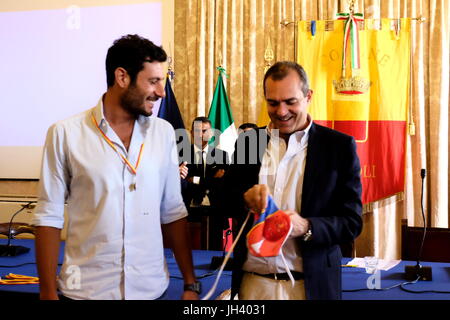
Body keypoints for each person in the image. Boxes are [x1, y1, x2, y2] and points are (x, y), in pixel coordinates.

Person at [31, 34, 200, 300]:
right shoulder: (64, 134)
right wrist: (47, 292)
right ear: (122, 77)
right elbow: (48, 216)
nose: (161, 92)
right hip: (85, 290)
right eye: (153, 81)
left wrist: (190, 283)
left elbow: (173, 211)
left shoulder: (164, 132)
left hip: (151, 289)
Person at [224, 61, 363, 300]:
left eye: (290, 102)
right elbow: (221, 203)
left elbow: (351, 223)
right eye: (273, 102)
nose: (281, 111)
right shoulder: (248, 142)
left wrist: (306, 227)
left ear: (308, 96)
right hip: (252, 286)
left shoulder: (338, 147)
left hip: (310, 287)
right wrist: (243, 199)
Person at [179, 117, 229, 250]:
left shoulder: (222, 156)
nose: (200, 135)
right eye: (197, 131)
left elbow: (222, 184)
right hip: (187, 211)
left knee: (215, 253)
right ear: (191, 132)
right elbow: (180, 183)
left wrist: (195, 179)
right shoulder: (179, 154)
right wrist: (212, 180)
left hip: (215, 210)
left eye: (204, 131)